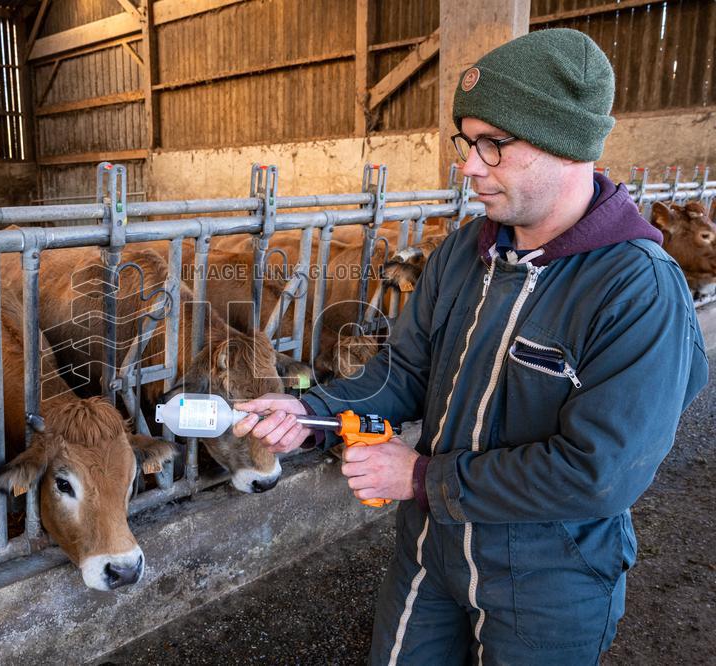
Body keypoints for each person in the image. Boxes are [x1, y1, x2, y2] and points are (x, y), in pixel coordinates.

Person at [233, 28, 709, 665]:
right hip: (431, 552)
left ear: (566, 145)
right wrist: (312, 413)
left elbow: (599, 473)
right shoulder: (467, 250)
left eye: (494, 144)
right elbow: (402, 372)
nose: (468, 165)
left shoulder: (635, 287)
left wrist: (422, 476)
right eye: (468, 141)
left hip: (550, 578)